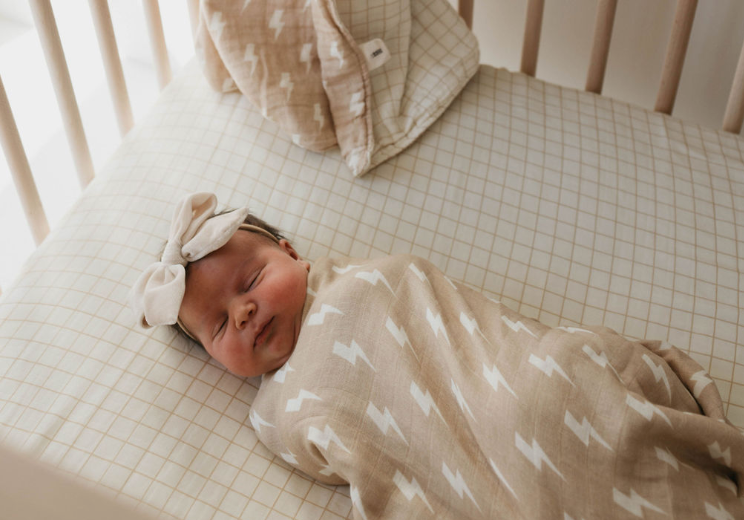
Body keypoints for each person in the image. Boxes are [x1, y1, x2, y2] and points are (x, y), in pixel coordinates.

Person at [130, 192, 744, 519]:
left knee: (545, 400)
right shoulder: (272, 415)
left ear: (294, 252)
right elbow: (360, 464)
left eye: (251, 280)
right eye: (216, 327)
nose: (242, 313)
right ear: (214, 359)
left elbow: (447, 318)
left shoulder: (359, 281)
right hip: (444, 478)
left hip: (521, 389)